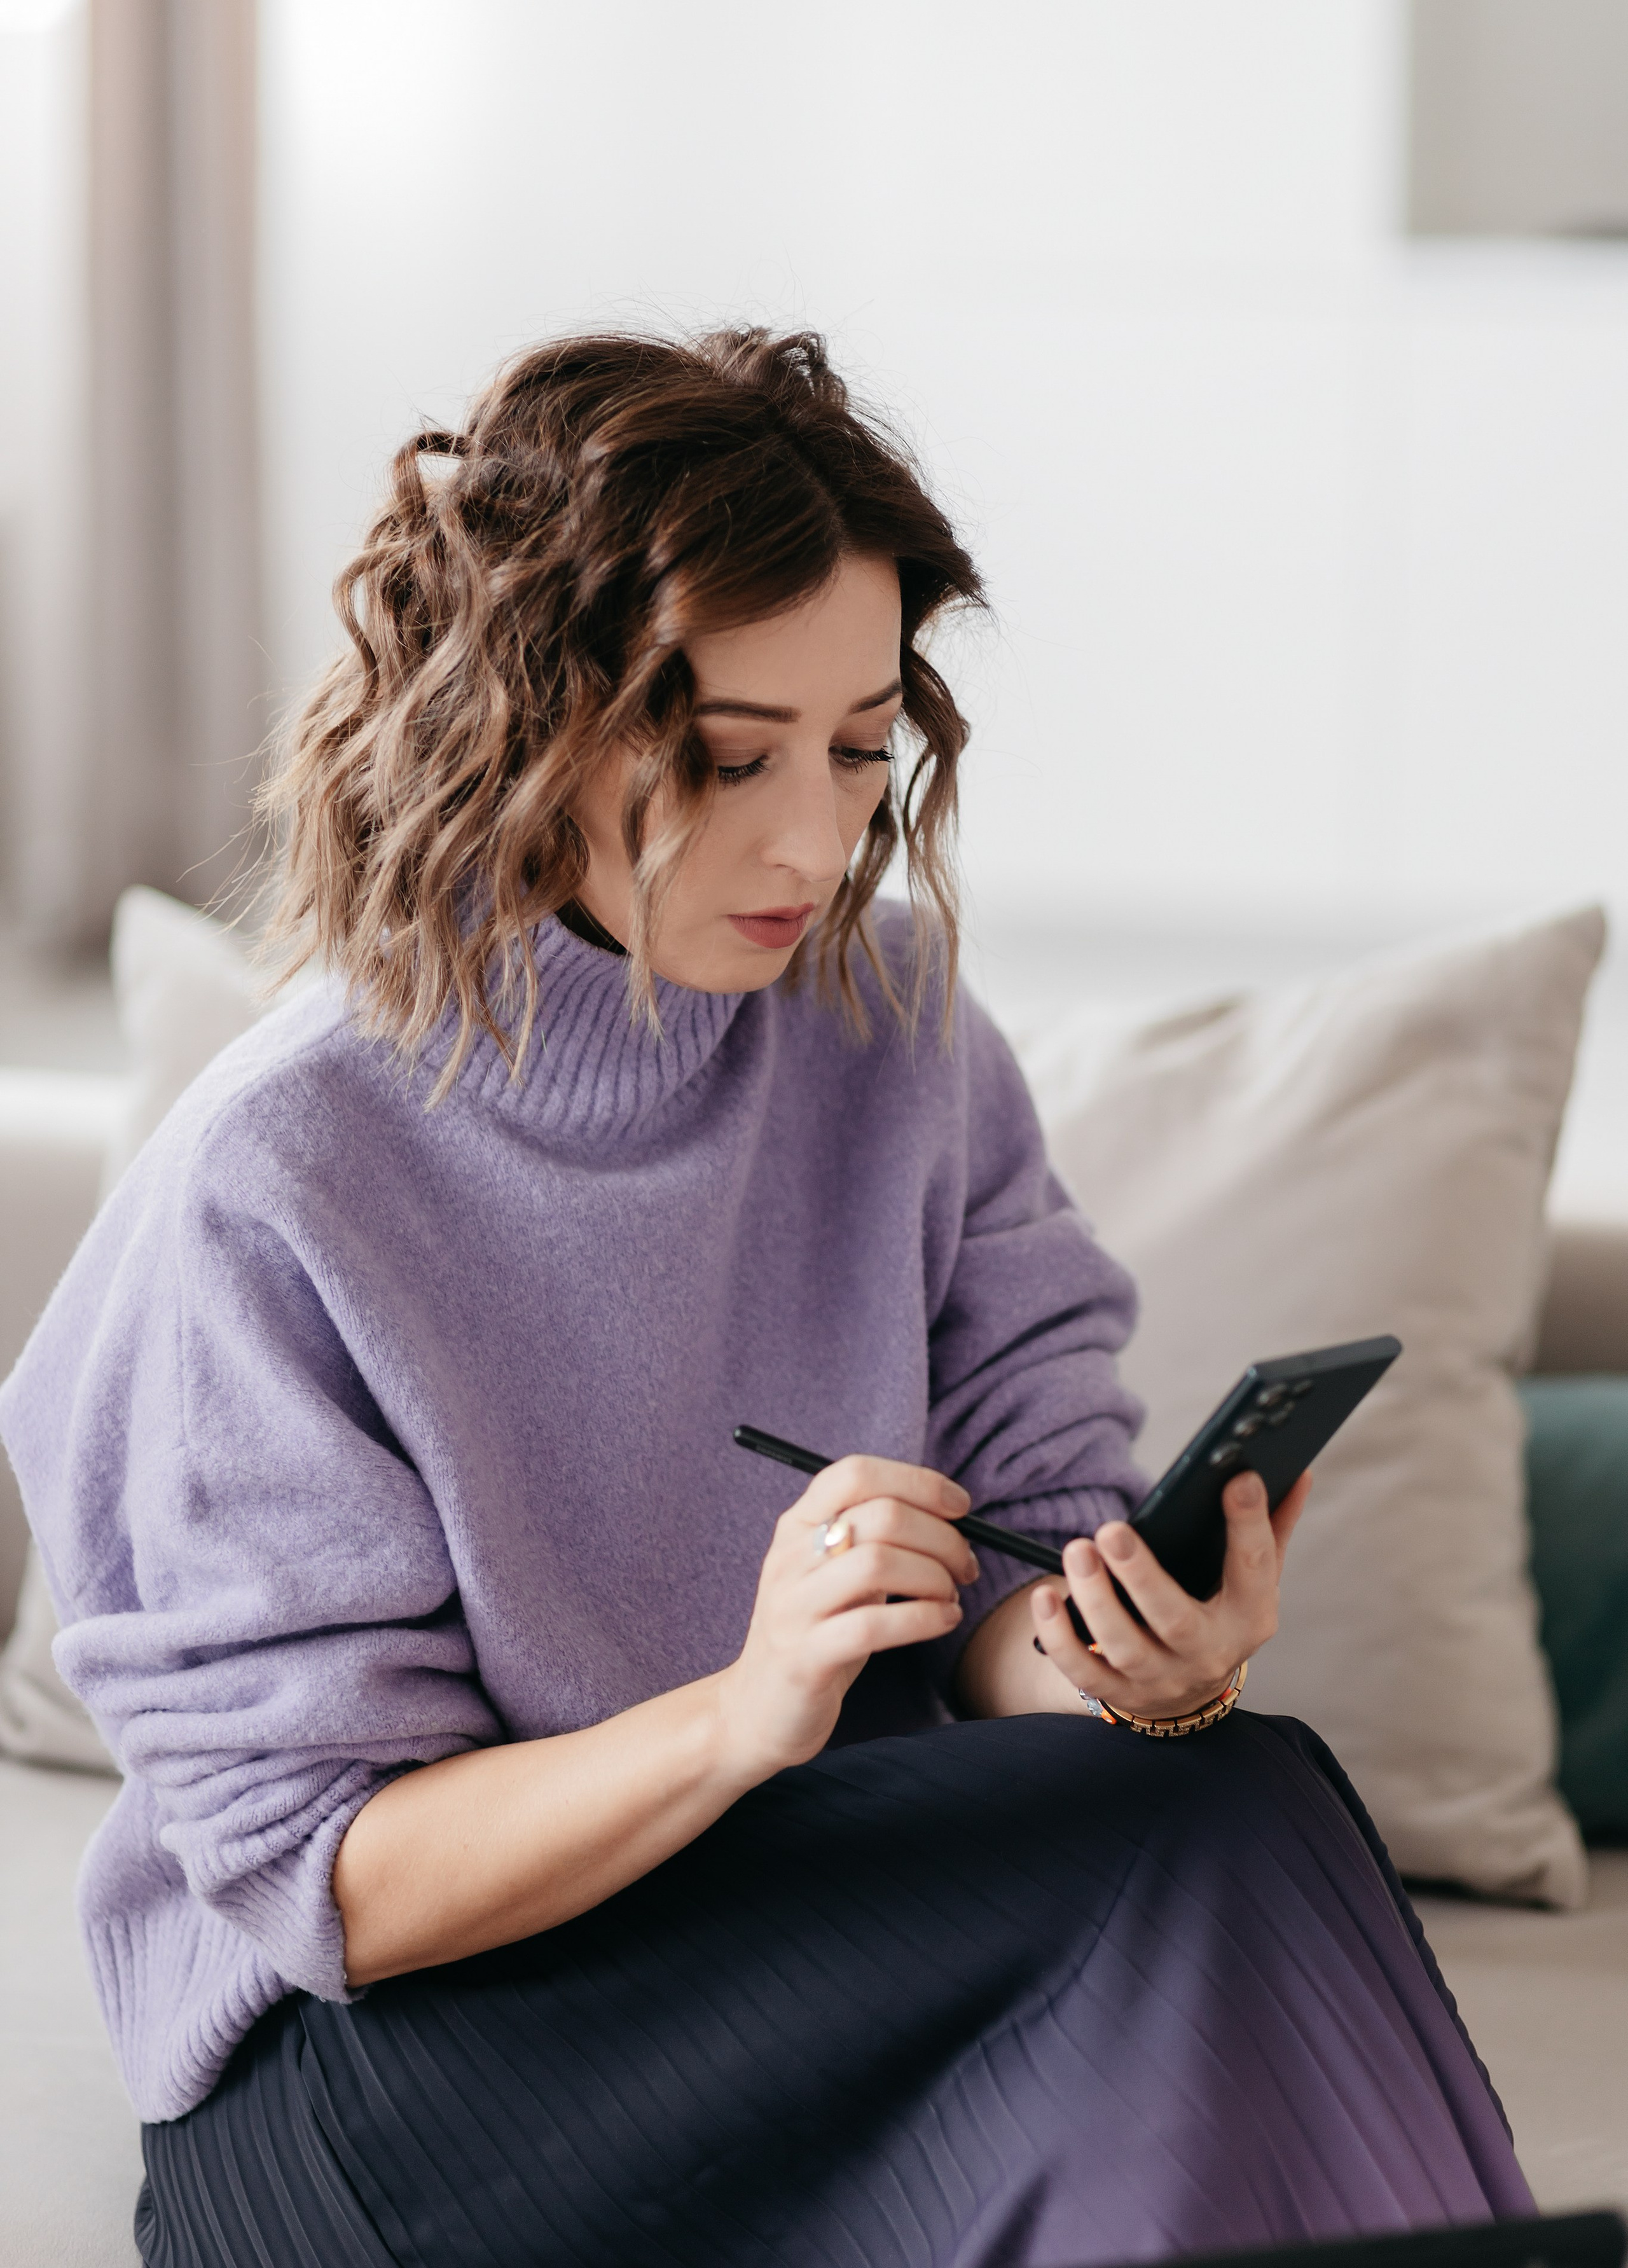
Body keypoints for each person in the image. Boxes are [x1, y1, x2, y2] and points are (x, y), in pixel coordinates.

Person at [2, 329, 1531, 2268]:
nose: (814, 841)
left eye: (859, 751)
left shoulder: (894, 1040)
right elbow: (338, 1887)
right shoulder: (278, 1178)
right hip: (385, 2080)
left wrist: (1115, 1657)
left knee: (1226, 1782)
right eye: (731, 758)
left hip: (803, 1950)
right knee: (1215, 1841)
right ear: (518, 719)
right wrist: (752, 1706)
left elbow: (1003, 1622)